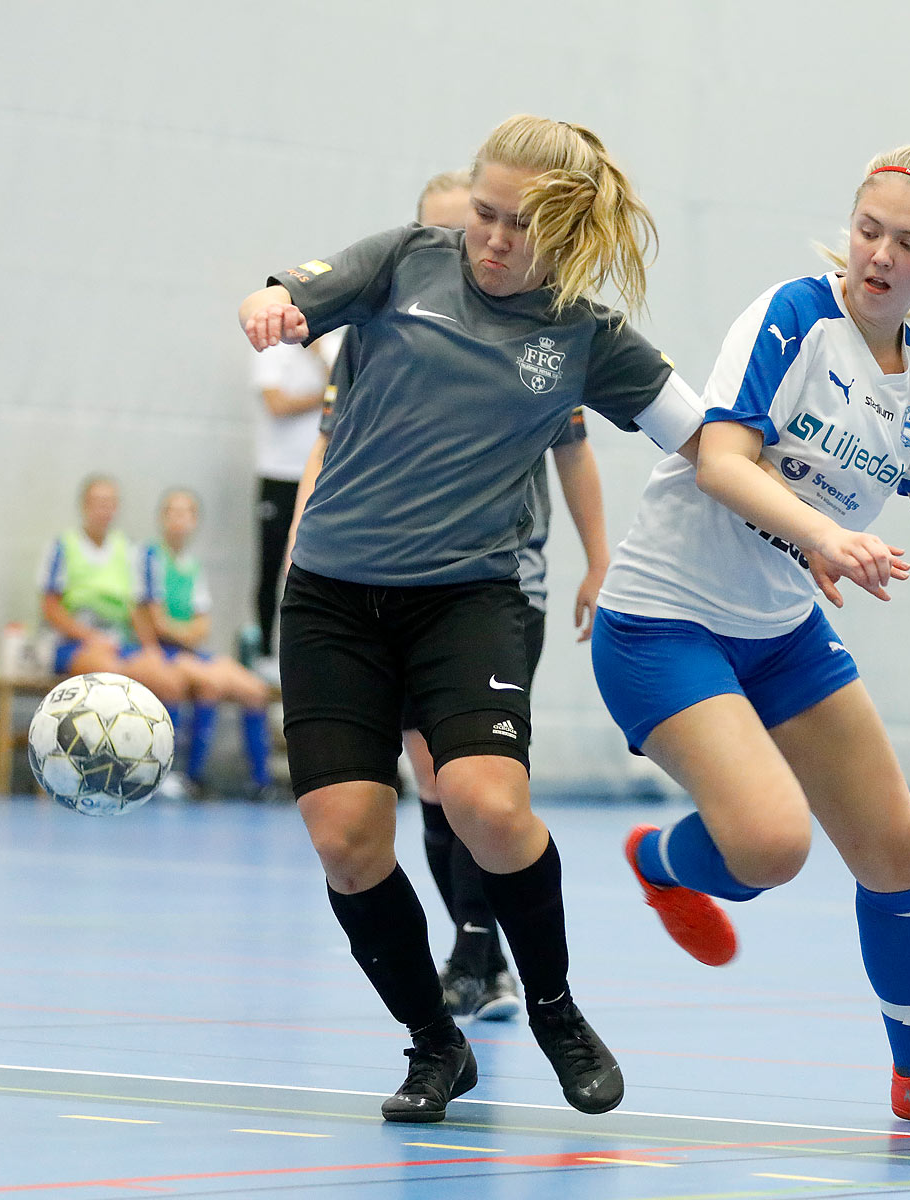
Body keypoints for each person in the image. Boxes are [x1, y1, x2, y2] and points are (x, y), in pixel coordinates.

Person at [238, 114, 707, 1123]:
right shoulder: (405, 262)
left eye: (517, 226)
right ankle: (434, 1045)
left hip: (468, 594)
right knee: (347, 837)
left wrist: (807, 523)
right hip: (330, 596)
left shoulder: (584, 333)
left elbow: (705, 435)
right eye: (483, 216)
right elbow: (295, 291)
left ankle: (554, 1009)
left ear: (567, 230)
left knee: (485, 805)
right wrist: (271, 307)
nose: (491, 240)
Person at [593, 146, 910, 1131]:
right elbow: (723, 460)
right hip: (662, 623)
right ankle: (660, 861)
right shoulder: (793, 317)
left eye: (907, 243)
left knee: (897, 852)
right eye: (868, 230)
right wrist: (828, 537)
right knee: (770, 847)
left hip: (780, 635)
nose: (879, 256)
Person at [290, 168, 613, 1024]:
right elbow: (330, 448)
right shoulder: (386, 318)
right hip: (369, 578)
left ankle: (487, 951)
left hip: (494, 579)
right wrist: (301, 546)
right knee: (420, 787)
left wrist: (599, 557)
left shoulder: (539, 336)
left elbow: (576, 449)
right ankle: (472, 955)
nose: (480, 250)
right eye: (466, 227)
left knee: (460, 778)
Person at [138, 488, 277, 799]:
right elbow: (154, 620)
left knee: (253, 689)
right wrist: (183, 632)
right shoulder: (150, 557)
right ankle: (175, 774)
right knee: (200, 683)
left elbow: (203, 625)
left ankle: (261, 782)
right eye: (172, 512)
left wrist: (185, 632)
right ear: (162, 518)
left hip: (188, 650)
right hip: (161, 651)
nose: (179, 519)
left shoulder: (193, 566)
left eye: (187, 512)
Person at [37, 474, 187, 715]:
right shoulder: (63, 546)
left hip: (118, 642)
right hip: (73, 643)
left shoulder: (127, 549)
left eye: (109, 504)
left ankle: (164, 750)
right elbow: (50, 607)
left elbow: (136, 608)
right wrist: (89, 636)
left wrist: (150, 648)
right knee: (110, 676)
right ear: (84, 506)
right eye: (98, 503)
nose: (103, 510)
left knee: (169, 682)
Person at [248, 329, 336, 673]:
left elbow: (346, 393)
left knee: (312, 564)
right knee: (271, 563)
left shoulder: (331, 348)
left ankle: (308, 655)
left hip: (319, 473)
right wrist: (324, 397)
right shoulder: (272, 349)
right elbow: (277, 404)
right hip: (277, 472)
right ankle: (266, 654)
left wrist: (319, 355)